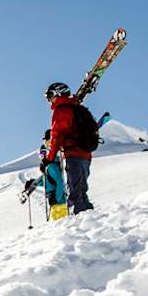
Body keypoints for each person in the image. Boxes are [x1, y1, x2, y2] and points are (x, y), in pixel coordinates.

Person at [41, 82, 94, 213]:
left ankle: (81, 217)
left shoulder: (62, 110)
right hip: (86, 153)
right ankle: (89, 216)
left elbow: (57, 135)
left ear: (58, 94)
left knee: (76, 190)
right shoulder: (76, 107)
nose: (49, 100)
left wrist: (49, 158)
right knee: (81, 188)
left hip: (73, 153)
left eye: (50, 95)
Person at [21, 129, 68, 220]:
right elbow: (47, 180)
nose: (42, 156)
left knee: (59, 224)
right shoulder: (48, 167)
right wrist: (33, 182)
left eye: (48, 142)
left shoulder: (51, 166)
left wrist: (56, 198)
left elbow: (59, 182)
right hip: (54, 202)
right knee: (57, 225)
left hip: (59, 203)